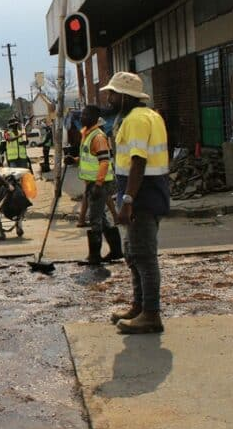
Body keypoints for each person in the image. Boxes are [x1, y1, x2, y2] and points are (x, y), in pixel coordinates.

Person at [100, 72, 170, 334]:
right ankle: (139, 307)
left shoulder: (137, 120)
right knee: (134, 254)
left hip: (142, 195)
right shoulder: (148, 116)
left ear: (125, 97)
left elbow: (138, 162)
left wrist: (127, 200)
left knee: (144, 256)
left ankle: (150, 314)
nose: (109, 97)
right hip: (148, 192)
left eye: (113, 94)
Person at [64, 105, 123, 265]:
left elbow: (104, 161)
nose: (82, 117)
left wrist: (98, 184)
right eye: (82, 114)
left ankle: (94, 256)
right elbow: (89, 158)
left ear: (93, 118)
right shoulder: (87, 135)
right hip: (92, 183)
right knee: (101, 218)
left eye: (85, 115)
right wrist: (74, 160)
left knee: (95, 218)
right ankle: (116, 251)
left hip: (101, 183)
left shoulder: (98, 137)